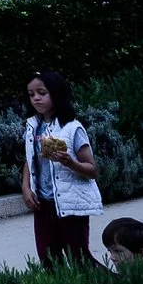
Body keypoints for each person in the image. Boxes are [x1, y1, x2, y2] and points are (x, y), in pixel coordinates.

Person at [20, 67, 102, 264]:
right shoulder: (32, 127)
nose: (36, 99)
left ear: (56, 93)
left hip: (69, 204)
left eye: (42, 93)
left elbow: (92, 170)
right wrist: (25, 187)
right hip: (43, 204)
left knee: (79, 259)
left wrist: (70, 162)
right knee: (49, 260)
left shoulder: (72, 128)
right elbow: (29, 159)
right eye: (31, 94)